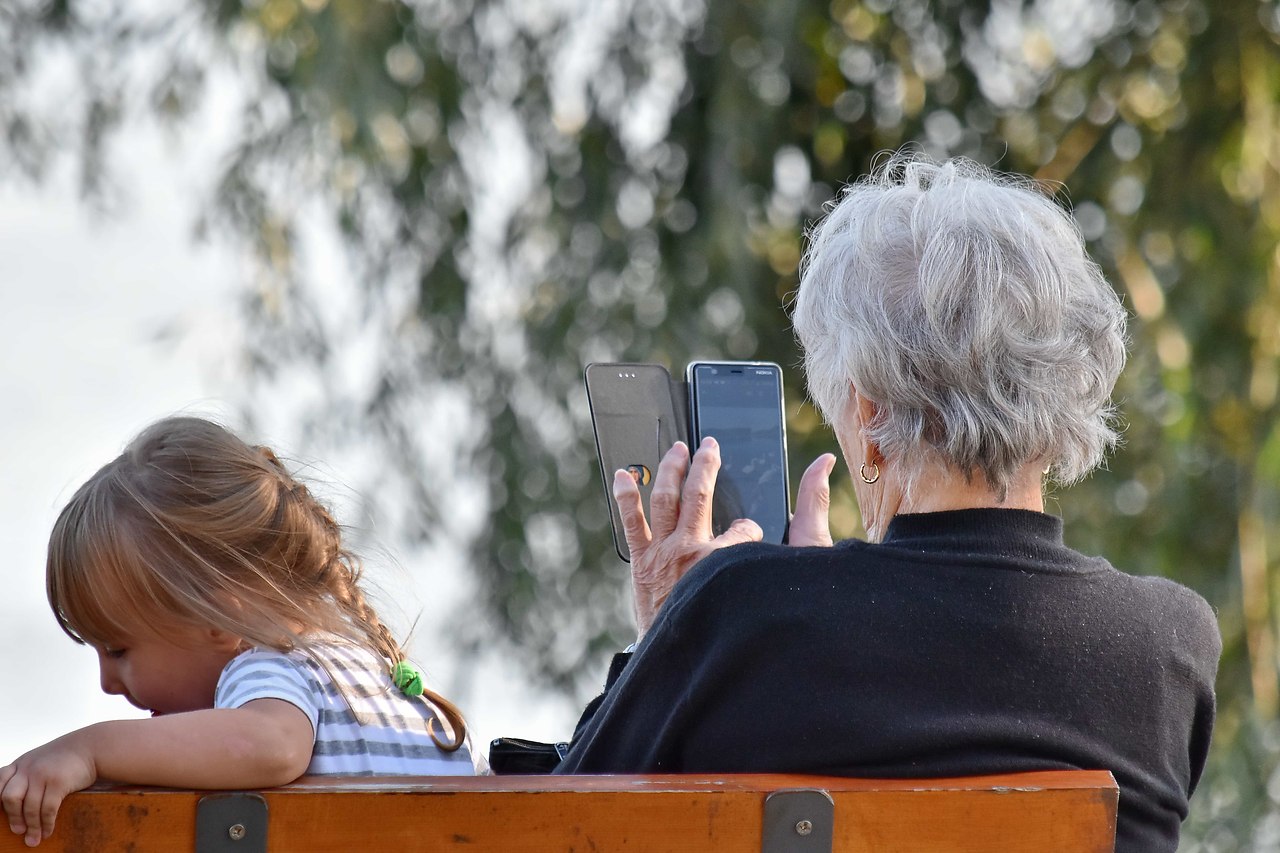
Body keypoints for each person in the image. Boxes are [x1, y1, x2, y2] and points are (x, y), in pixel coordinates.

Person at [557, 153, 1220, 853]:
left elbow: (545, 827)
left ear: (870, 422)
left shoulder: (738, 611)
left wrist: (674, 626)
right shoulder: (1171, 645)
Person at [1, 416, 477, 848]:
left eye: (119, 649)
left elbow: (270, 746)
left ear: (214, 617)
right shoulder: (367, 674)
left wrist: (90, 749)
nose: (108, 681)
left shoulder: (271, 672)